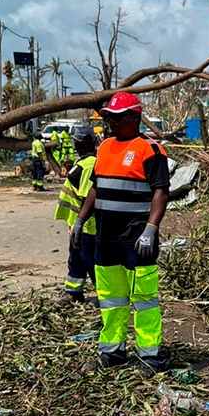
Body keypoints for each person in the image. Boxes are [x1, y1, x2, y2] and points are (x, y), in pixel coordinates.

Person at [73, 92, 170, 371]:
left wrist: (151, 229)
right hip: (106, 239)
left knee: (144, 299)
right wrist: (80, 220)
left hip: (136, 239)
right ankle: (113, 352)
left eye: (117, 118)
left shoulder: (149, 150)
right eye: (109, 118)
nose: (112, 123)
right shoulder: (105, 147)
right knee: (111, 300)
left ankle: (150, 356)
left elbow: (161, 191)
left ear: (134, 118)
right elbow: (96, 187)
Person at [54, 127, 98, 303]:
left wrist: (80, 222)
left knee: (91, 261)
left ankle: (105, 295)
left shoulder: (89, 165)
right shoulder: (84, 162)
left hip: (88, 226)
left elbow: (88, 196)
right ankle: (73, 292)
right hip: (78, 224)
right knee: (76, 259)